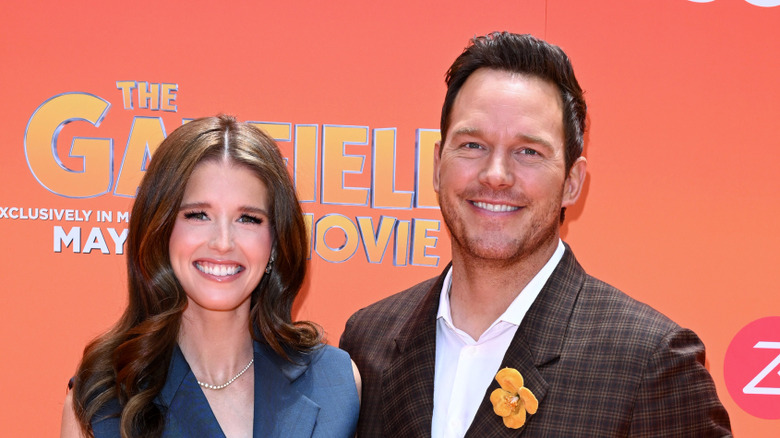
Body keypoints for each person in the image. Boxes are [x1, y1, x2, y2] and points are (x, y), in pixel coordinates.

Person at [340, 32, 731, 437]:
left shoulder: (651, 362)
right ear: (438, 165)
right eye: (472, 145)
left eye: (528, 152)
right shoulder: (368, 339)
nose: (495, 175)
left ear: (572, 182)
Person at [61, 115, 360, 438]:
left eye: (248, 219)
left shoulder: (337, 384)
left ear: (275, 242)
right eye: (198, 215)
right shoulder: (103, 400)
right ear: (161, 230)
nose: (222, 242)